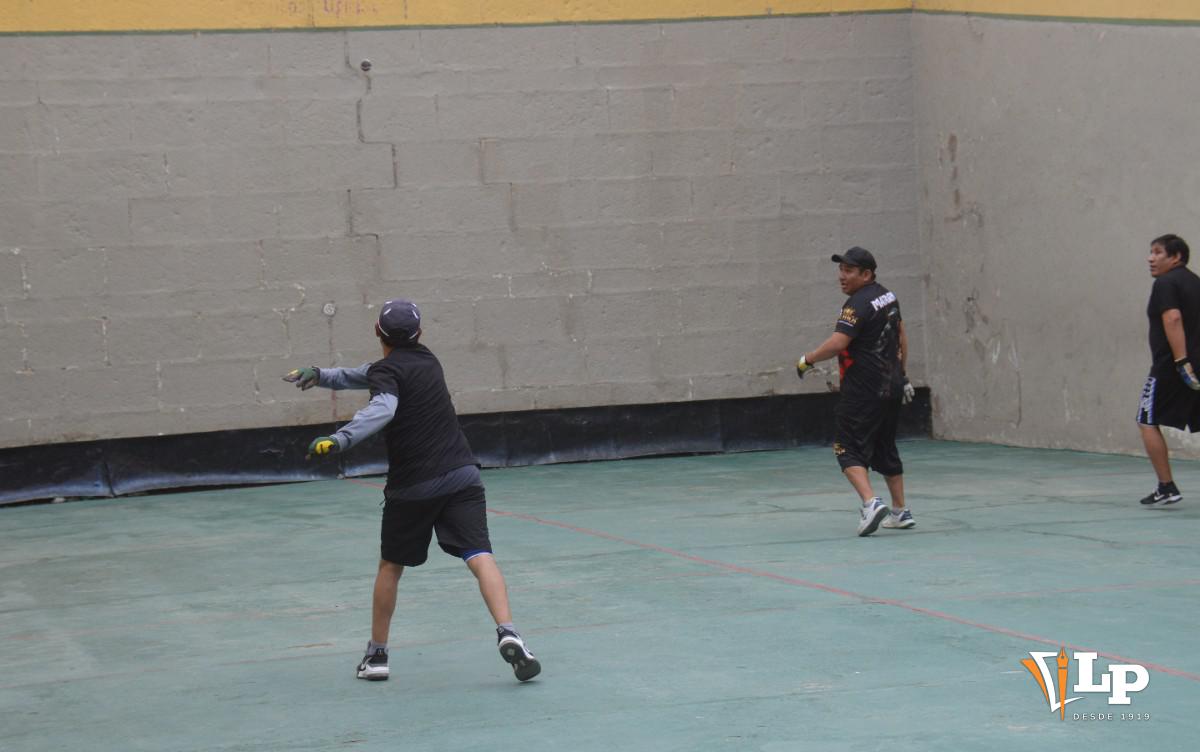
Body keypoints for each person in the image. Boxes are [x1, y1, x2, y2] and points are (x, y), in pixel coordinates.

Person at [283, 299, 541, 682]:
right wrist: (320, 374)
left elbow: (382, 406)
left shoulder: (388, 373)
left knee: (391, 566)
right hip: (461, 475)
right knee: (479, 554)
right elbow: (366, 374)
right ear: (419, 334)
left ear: (376, 332)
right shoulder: (428, 361)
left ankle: (377, 658)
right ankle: (509, 631)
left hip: (414, 486)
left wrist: (340, 440)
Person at [794, 247, 917, 536]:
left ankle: (870, 503)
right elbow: (901, 336)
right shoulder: (888, 296)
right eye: (841, 270)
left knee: (846, 447)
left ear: (867, 274)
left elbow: (838, 343)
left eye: (849, 271)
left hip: (864, 390)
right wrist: (903, 375)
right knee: (885, 446)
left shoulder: (856, 305)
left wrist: (807, 359)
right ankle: (900, 511)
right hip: (891, 388)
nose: (842, 277)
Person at [1136, 234, 1200, 507]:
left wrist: (1181, 362)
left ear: (1176, 257)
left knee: (1146, 420)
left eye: (1158, 252)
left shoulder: (1165, 283)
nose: (1151, 258)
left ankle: (1166, 487)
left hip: (1172, 367)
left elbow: (1173, 318)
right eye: (1150, 252)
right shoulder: (1195, 282)